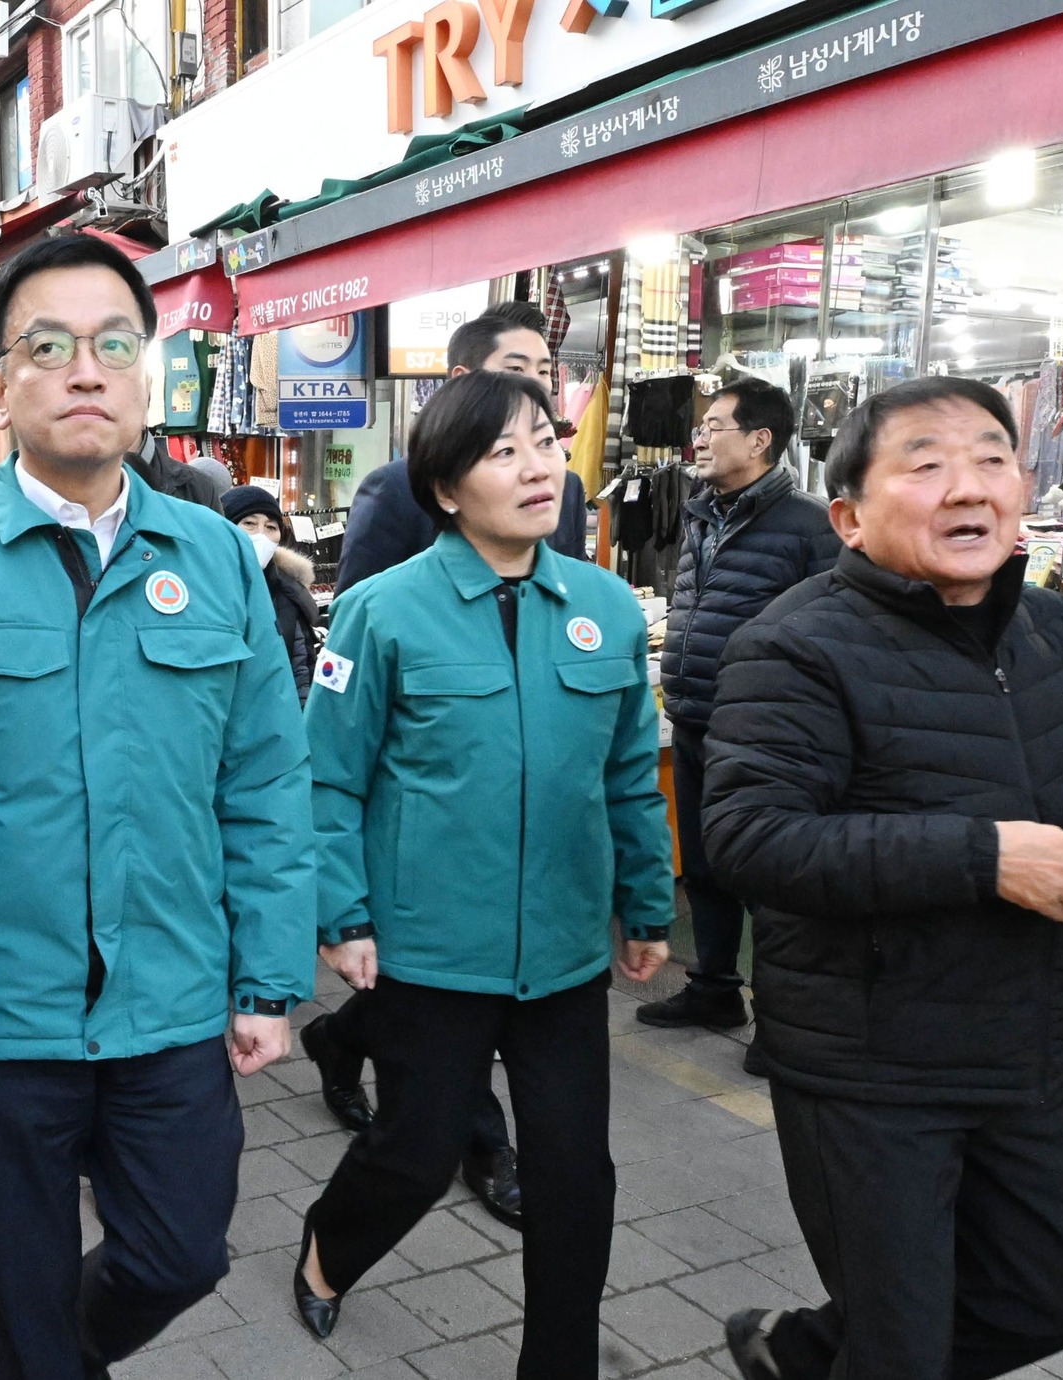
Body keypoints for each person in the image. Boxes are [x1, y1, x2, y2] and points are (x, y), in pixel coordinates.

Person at [0, 232, 315, 1380]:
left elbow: (261, 777)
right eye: (47, 346)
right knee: (20, 1293)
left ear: (146, 370)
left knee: (180, 1250)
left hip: (166, 1001)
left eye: (114, 343)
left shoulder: (213, 557)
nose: (86, 370)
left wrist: (266, 976)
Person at [700, 375, 1063, 1380]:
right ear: (847, 517)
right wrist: (988, 856)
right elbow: (749, 837)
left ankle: (799, 1354)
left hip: (1022, 1042)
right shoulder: (794, 645)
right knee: (900, 1347)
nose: (966, 486)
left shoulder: (1058, 630)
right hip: (868, 1065)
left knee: (1040, 1306)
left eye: (988, 458)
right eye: (924, 465)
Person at [292, 370, 672, 1375]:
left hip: (559, 951)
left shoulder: (604, 610)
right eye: (503, 451)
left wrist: (643, 899)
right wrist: (343, 915)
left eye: (543, 441)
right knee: (414, 1157)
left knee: (573, 1176)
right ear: (448, 488)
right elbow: (327, 778)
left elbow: (629, 774)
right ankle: (329, 1246)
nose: (538, 465)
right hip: (427, 948)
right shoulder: (380, 612)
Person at [304, 300, 580, 1224]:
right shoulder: (396, 493)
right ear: (462, 383)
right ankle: (481, 1143)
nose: (535, 380)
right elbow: (358, 620)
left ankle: (345, 1047)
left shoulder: (560, 494)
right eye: (515, 362)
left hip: (517, 832)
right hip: (418, 788)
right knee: (435, 1012)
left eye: (545, 367)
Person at [636, 379, 838, 1032]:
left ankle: (781, 1023)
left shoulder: (809, 524)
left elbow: (833, 632)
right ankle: (715, 989)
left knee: (769, 879)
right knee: (704, 865)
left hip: (765, 734)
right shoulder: (702, 511)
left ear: (759, 440)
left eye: (715, 425)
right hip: (697, 716)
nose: (698, 437)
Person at [336, 303, 588, 592]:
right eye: (515, 368)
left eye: (544, 371)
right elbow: (358, 607)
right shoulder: (396, 487)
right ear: (462, 377)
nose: (535, 382)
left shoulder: (563, 487)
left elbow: (572, 587)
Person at [223, 483, 319, 703]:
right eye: (249, 523)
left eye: (271, 527)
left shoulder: (289, 592)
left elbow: (300, 670)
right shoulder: (204, 587)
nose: (261, 535)